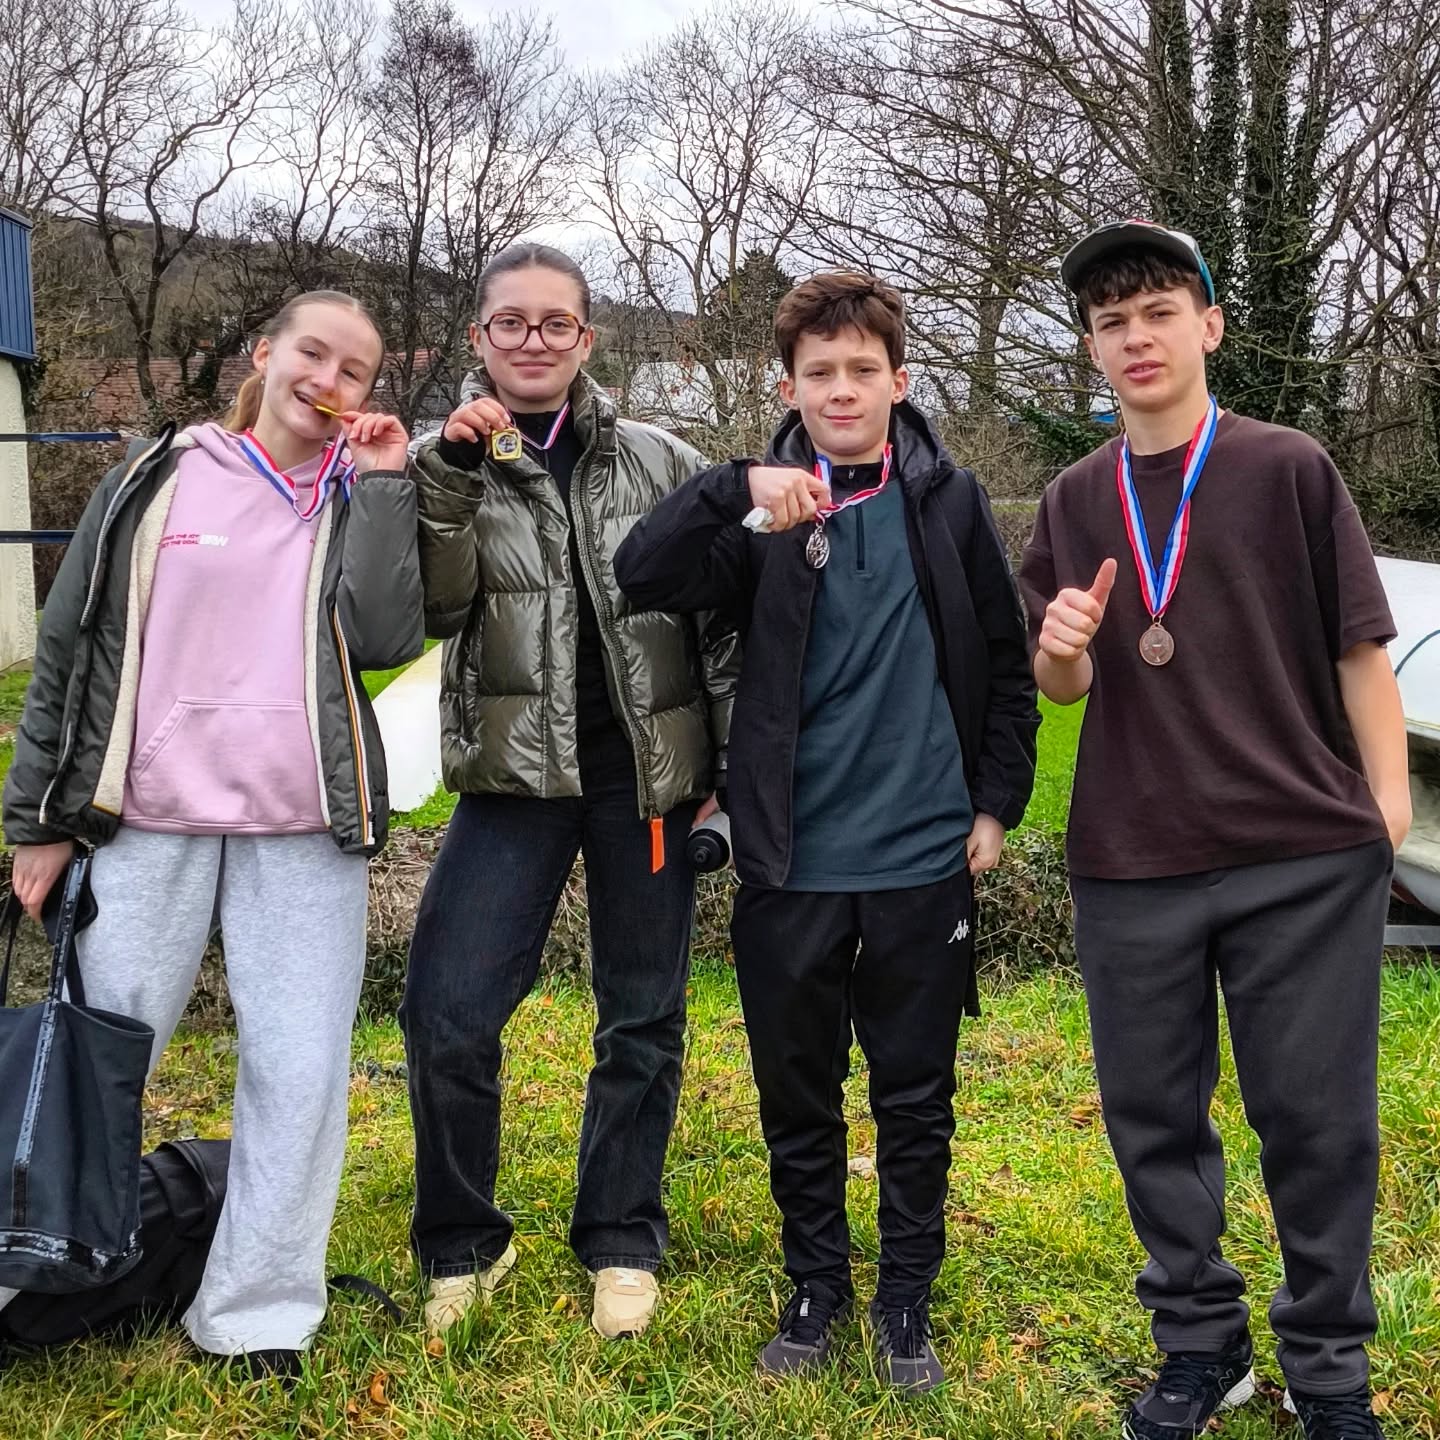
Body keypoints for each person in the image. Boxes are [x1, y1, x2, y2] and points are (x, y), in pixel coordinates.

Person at [1018, 220, 1411, 1440]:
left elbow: (1361, 648)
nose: (1134, 339)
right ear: (1091, 349)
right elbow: (1063, 687)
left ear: (1208, 325)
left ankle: (1329, 1369)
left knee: (1317, 1119)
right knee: (1153, 1118)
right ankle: (1202, 1346)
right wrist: (1060, 653)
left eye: (1156, 312)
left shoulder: (1288, 466)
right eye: (1109, 322)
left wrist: (1385, 815)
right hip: (1135, 856)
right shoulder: (1076, 497)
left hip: (1302, 852)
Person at [613, 270, 1038, 1391]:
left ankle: (906, 1298)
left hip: (920, 856)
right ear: (788, 385)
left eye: (862, 372)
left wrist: (995, 804)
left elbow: (1005, 663)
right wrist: (728, 489)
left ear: (900, 382)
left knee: (914, 1094)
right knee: (796, 1091)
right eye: (818, 375)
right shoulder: (762, 510)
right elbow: (638, 573)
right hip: (787, 858)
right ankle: (816, 1284)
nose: (841, 391)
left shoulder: (948, 502)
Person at [2, 290, 424, 1378]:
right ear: (266, 353)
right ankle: (25, 1271)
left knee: (299, 1069)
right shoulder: (157, 478)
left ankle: (258, 1315)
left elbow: (384, 633)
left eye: (355, 368)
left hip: (302, 829)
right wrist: (39, 821)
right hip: (146, 820)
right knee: (92, 1055)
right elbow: (70, 647)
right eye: (312, 352)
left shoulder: (360, 492)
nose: (327, 378)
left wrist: (381, 491)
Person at [402, 242, 737, 1342]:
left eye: (556, 323)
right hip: (512, 783)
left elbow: (720, 626)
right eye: (513, 323)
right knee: (448, 1014)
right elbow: (434, 616)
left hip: (645, 786)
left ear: (587, 339)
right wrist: (448, 481)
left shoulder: (662, 458)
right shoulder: (441, 465)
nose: (534, 341)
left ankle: (622, 1236)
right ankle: (461, 1243)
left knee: (641, 1016)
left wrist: (722, 780)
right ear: (479, 340)